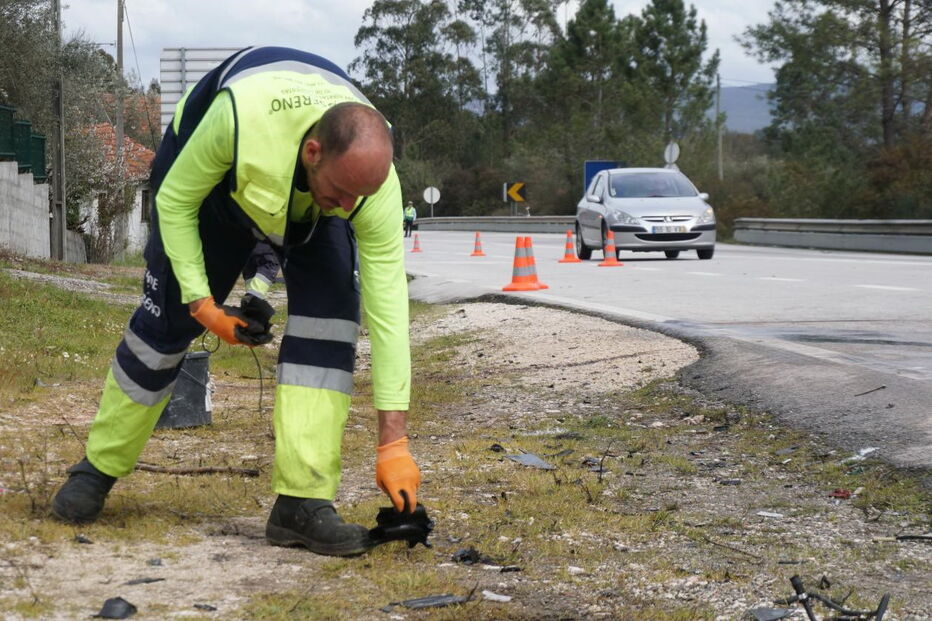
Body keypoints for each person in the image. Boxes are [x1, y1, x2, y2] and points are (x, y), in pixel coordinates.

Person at [50, 46, 420, 558]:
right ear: (313, 152)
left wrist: (393, 442)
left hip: (296, 197)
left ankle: (303, 503)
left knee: (330, 330)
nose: (349, 208)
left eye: (361, 197)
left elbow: (389, 315)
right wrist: (202, 305)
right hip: (208, 192)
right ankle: (98, 468)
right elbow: (175, 200)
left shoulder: (364, 187)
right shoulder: (237, 121)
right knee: (163, 333)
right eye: (343, 192)